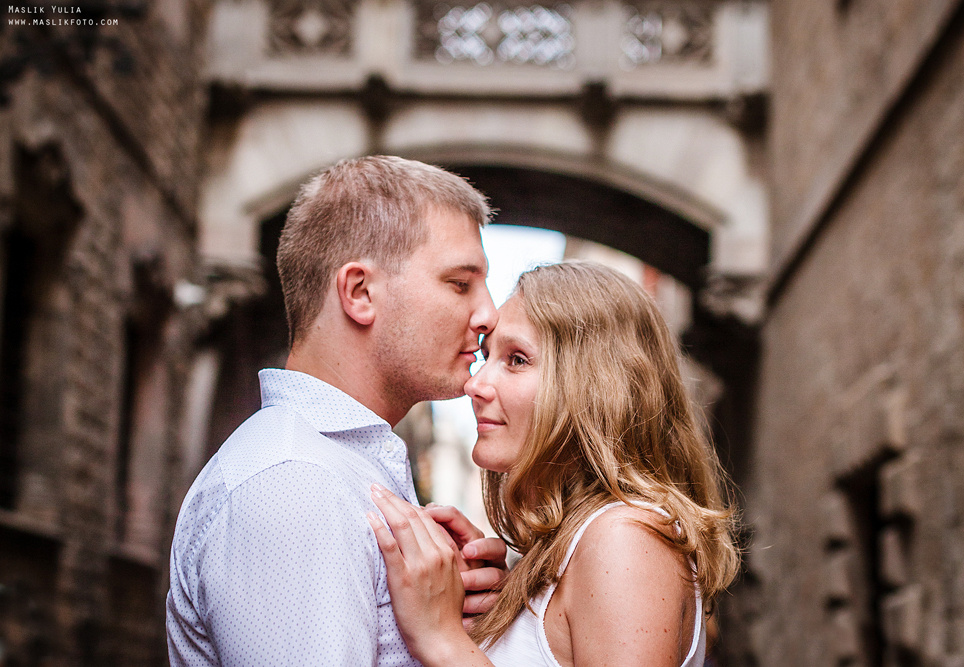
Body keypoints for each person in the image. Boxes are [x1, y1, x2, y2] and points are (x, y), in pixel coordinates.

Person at [166, 156, 509, 666]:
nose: (489, 314)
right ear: (360, 293)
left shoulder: (333, 472)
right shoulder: (294, 483)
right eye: (460, 283)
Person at [367, 261, 740, 666]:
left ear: (595, 386)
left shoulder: (625, 538)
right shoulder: (586, 543)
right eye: (487, 355)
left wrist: (440, 638)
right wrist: (504, 602)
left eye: (517, 359)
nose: (475, 384)